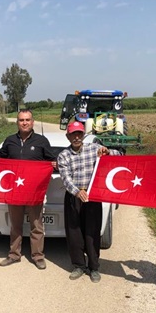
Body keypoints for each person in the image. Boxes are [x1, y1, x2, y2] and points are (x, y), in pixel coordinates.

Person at [0, 108, 57, 270]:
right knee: (15, 225)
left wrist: (54, 165)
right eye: (21, 120)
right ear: (17, 122)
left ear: (32, 122)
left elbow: (52, 160)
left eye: (27, 120)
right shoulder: (9, 141)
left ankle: (37, 256)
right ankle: (14, 254)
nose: (25, 123)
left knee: (36, 226)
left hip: (34, 192)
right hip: (14, 191)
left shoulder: (41, 141)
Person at [57, 121, 119, 283]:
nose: (76, 137)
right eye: (73, 134)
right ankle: (78, 265)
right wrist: (78, 192)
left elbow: (118, 156)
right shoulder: (63, 155)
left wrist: (107, 152)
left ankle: (94, 267)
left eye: (79, 133)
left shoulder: (94, 149)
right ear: (68, 136)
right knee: (74, 233)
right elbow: (65, 178)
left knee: (92, 232)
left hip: (93, 196)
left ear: (83, 135)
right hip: (74, 197)